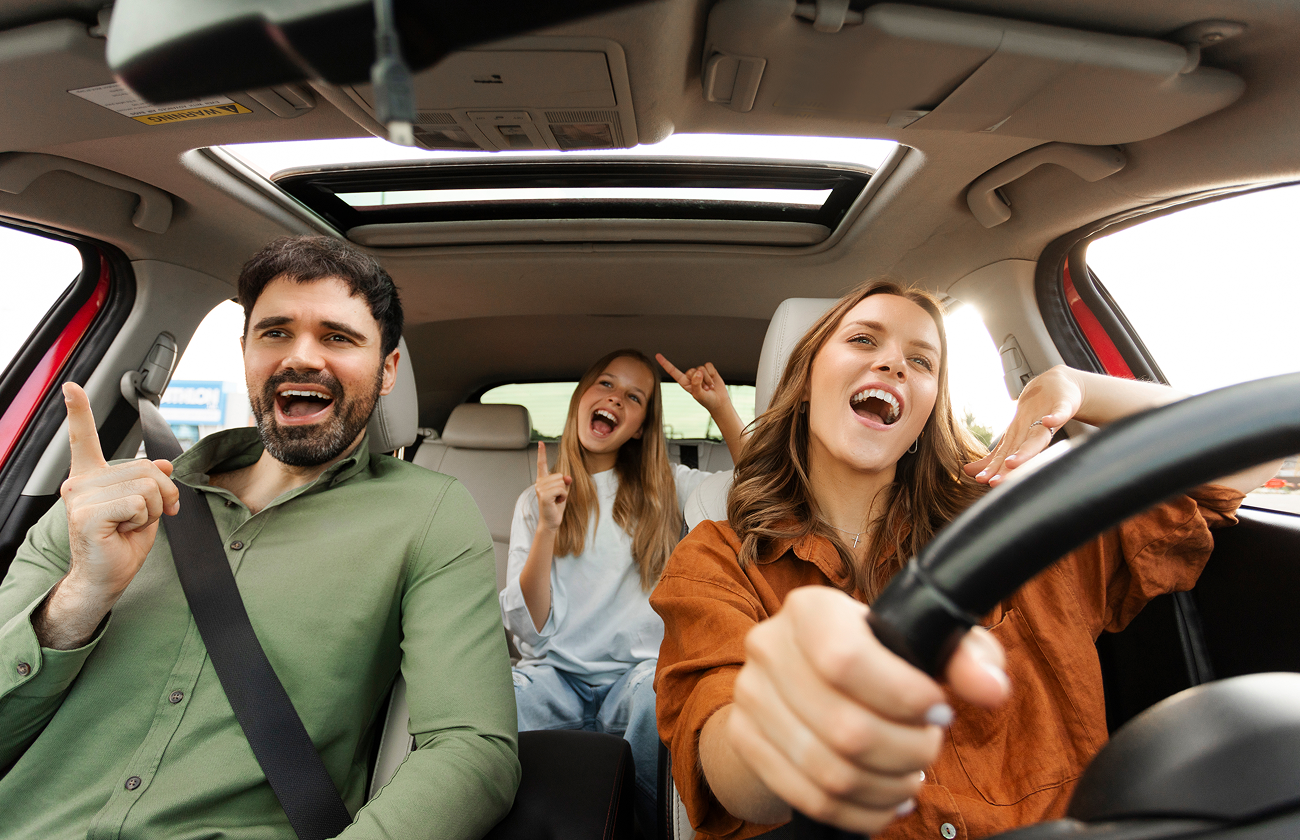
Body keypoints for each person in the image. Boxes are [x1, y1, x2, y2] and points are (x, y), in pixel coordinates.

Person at [651, 280, 1282, 840]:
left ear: (925, 413)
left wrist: (1072, 386)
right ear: (808, 385)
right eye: (863, 340)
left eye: (921, 361)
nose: (893, 362)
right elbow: (723, 759)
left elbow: (1247, 465)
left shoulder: (1017, 521)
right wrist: (781, 729)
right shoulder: (718, 559)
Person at [0, 236, 519, 839]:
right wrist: (80, 598)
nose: (302, 357)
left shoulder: (427, 511)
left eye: (337, 337)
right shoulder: (100, 505)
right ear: (245, 352)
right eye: (275, 332)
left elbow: (471, 748)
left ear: (388, 371)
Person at [499, 349, 745, 826]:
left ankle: (644, 826)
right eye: (606, 385)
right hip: (556, 680)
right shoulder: (537, 499)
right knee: (500, 701)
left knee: (657, 702)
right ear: (580, 400)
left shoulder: (667, 487)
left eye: (634, 397)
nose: (615, 399)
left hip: (636, 680)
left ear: (639, 428)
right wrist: (548, 527)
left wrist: (721, 409)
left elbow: (759, 486)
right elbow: (529, 631)